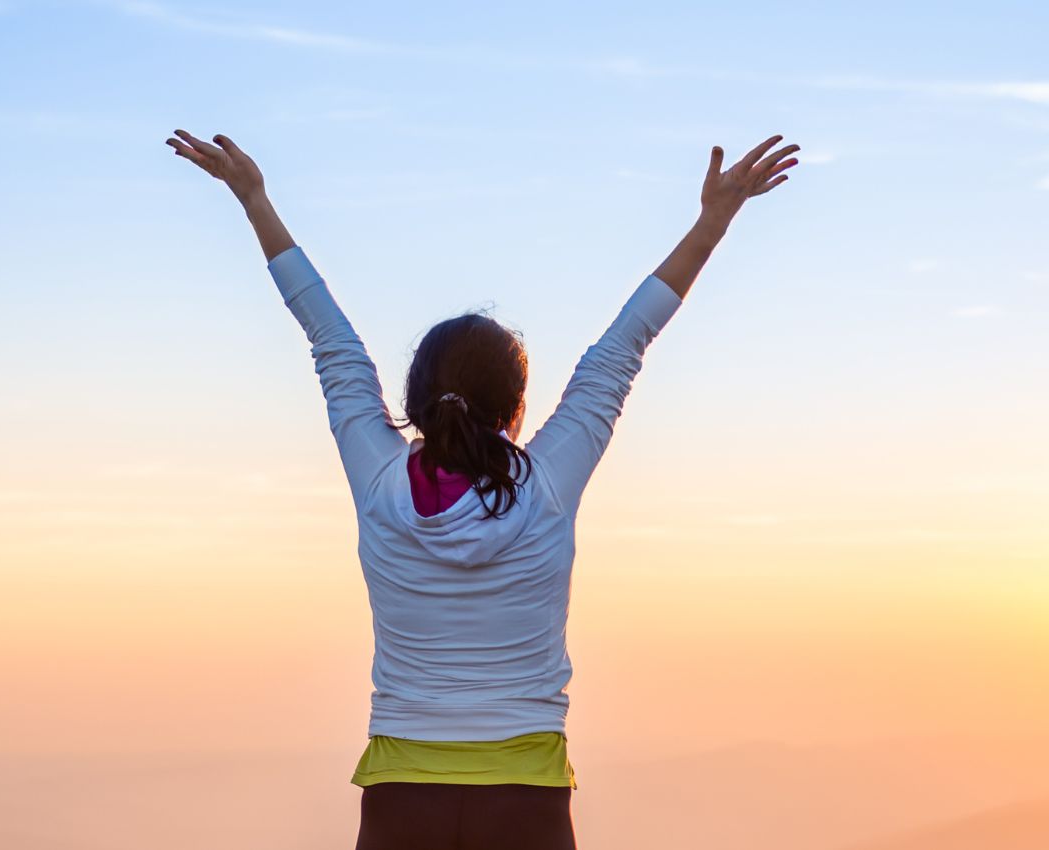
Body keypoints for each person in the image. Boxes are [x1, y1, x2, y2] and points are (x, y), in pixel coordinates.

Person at [166, 128, 797, 850]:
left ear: (417, 397)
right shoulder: (549, 482)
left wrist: (256, 202)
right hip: (526, 803)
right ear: (517, 407)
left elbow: (327, 336)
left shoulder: (380, 479)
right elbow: (626, 343)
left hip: (400, 801)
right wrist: (713, 221)